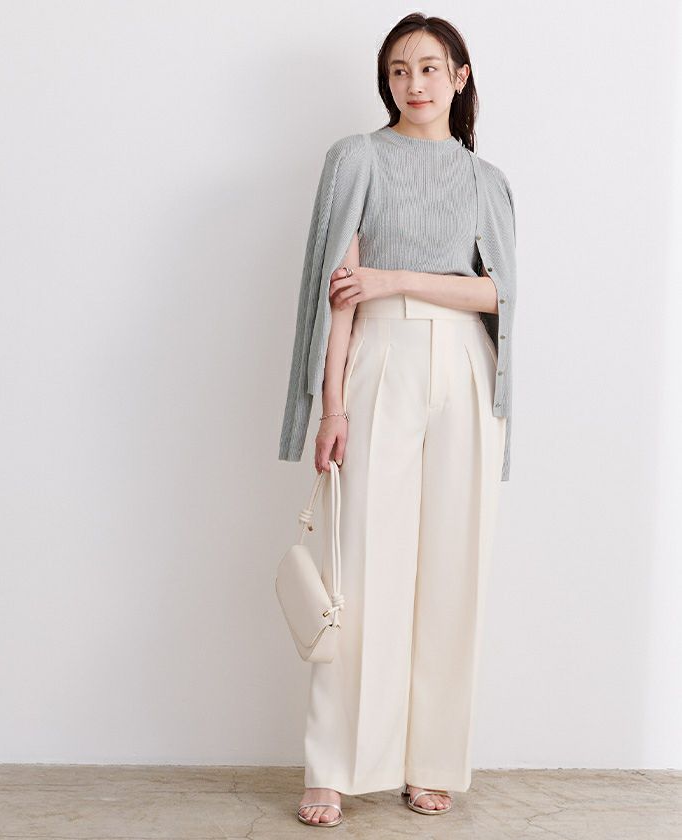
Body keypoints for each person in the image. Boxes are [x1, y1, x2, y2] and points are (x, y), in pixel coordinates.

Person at [278, 13, 517, 827]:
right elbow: (341, 295)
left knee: (454, 567)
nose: (414, 83)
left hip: (466, 366)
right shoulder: (358, 158)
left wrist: (395, 278)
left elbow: (499, 296)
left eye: (429, 67)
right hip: (380, 361)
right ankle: (333, 767)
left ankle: (429, 761)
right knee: (359, 567)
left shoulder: (487, 180)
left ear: (460, 75)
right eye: (398, 71)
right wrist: (332, 405)